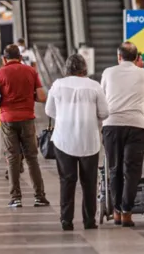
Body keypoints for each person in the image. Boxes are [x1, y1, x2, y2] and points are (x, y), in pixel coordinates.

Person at [45, 54, 109, 231]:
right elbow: (104, 113)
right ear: (84, 68)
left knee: (67, 181)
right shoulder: (94, 86)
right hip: (89, 140)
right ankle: (89, 221)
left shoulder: (58, 85)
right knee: (89, 183)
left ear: (67, 68)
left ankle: (66, 221)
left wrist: (66, 115)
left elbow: (49, 110)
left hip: (64, 140)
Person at [100, 42, 144, 227]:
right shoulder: (143, 73)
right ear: (137, 57)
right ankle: (126, 212)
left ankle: (116, 210)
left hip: (112, 125)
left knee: (114, 169)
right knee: (132, 171)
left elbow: (102, 96)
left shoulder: (108, 72)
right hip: (136, 125)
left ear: (119, 56)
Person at [0, 44, 49, 208]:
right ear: (21, 58)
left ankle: (16, 197)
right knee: (32, 158)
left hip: (8, 120)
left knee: (12, 158)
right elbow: (42, 97)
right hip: (27, 119)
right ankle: (39, 196)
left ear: (4, 59)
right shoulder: (31, 71)